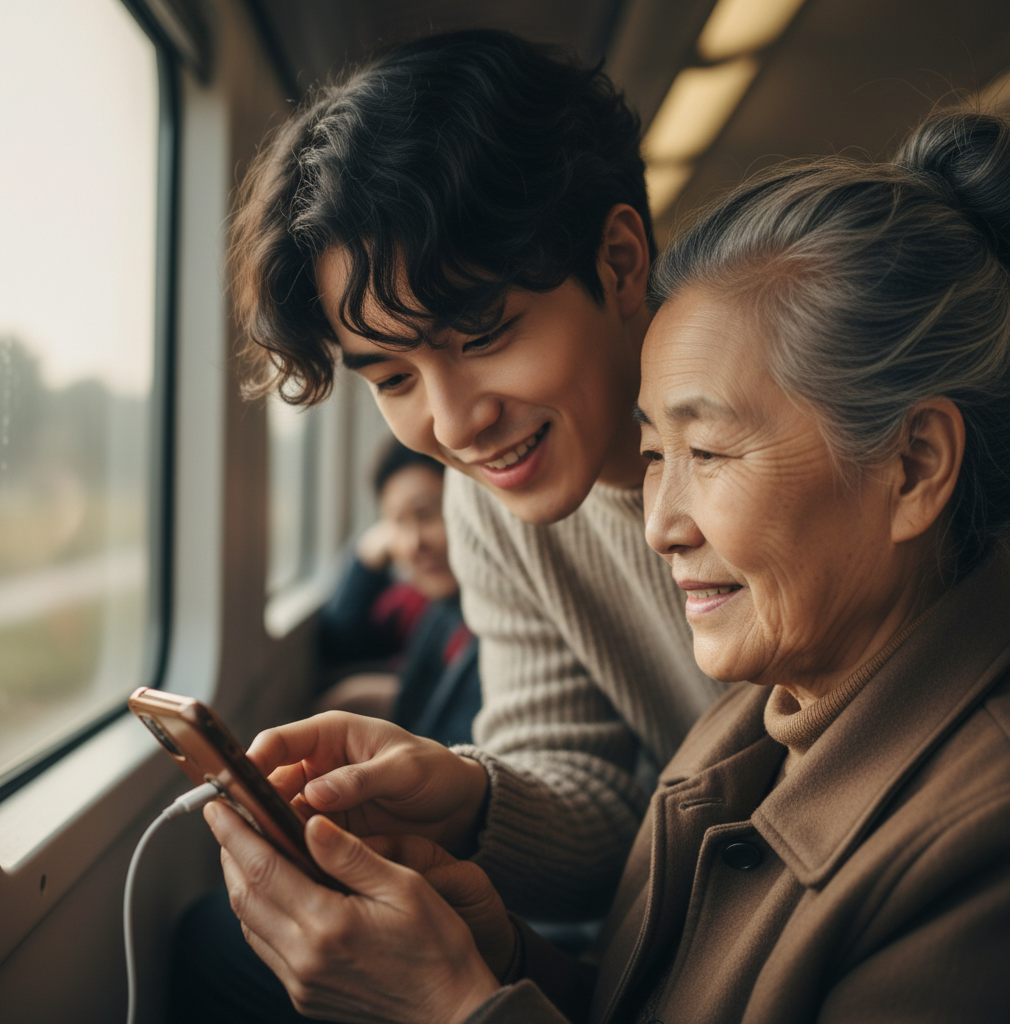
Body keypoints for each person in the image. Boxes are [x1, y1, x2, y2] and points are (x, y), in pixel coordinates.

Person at [207, 108, 1010, 1023]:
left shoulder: (969, 836)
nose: (658, 527)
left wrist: (456, 1006)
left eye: (705, 453)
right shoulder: (746, 731)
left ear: (913, 468)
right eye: (654, 451)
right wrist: (500, 953)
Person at [228, 27, 721, 922]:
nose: (454, 426)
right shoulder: (490, 507)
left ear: (618, 265)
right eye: (393, 377)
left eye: (486, 334)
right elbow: (595, 794)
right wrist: (464, 796)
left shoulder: (771, 439)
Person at [317, 437, 479, 747]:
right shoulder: (442, 609)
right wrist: (364, 563)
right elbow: (343, 642)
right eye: (398, 522)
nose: (414, 543)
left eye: (427, 515)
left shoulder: (494, 623)